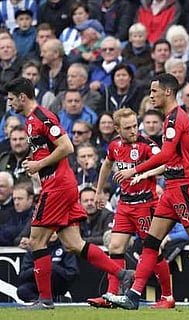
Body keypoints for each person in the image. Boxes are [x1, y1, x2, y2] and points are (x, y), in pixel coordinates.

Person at [103, 73, 189, 310]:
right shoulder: (172, 117)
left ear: (167, 91)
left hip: (184, 187)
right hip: (172, 187)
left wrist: (134, 171)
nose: (151, 95)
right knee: (150, 243)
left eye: (154, 90)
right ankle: (134, 296)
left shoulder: (176, 118)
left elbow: (166, 155)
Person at [5, 77, 134, 310]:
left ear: (22, 97)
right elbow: (50, 150)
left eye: (12, 99)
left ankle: (45, 300)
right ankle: (122, 274)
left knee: (36, 240)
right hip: (60, 185)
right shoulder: (30, 121)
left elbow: (67, 147)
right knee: (74, 244)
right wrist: (35, 161)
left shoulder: (43, 117)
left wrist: (39, 163)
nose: (10, 103)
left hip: (57, 186)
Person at [87, 107, 175, 309]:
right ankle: (111, 295)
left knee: (153, 250)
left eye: (135, 125)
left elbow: (165, 162)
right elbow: (107, 165)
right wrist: (99, 191)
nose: (134, 130)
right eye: (128, 127)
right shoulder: (114, 146)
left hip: (146, 204)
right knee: (115, 247)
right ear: (117, 128)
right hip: (125, 205)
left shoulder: (146, 145)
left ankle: (167, 297)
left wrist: (141, 173)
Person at [16, 232, 79, 303]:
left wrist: (51, 267)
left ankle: (53, 298)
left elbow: (72, 273)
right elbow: (22, 275)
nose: (53, 233)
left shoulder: (65, 248)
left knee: (51, 272)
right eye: (50, 230)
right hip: (38, 284)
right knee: (22, 291)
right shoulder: (34, 250)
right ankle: (48, 301)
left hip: (57, 284)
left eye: (55, 231)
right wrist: (37, 269)